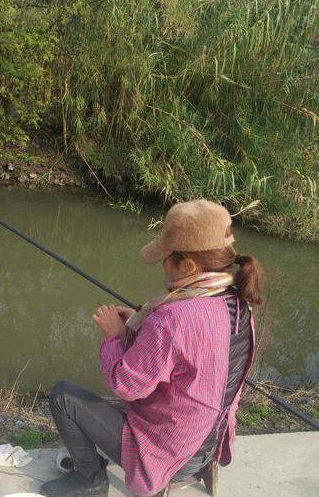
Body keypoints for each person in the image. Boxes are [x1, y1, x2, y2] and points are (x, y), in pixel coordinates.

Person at [40, 199, 263, 497]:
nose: (161, 263)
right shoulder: (238, 300)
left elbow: (127, 385)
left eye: (166, 257)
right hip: (211, 440)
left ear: (188, 265)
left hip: (175, 454)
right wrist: (137, 319)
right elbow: (193, 346)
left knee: (62, 396)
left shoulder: (173, 317)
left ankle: (90, 480)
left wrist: (114, 335)